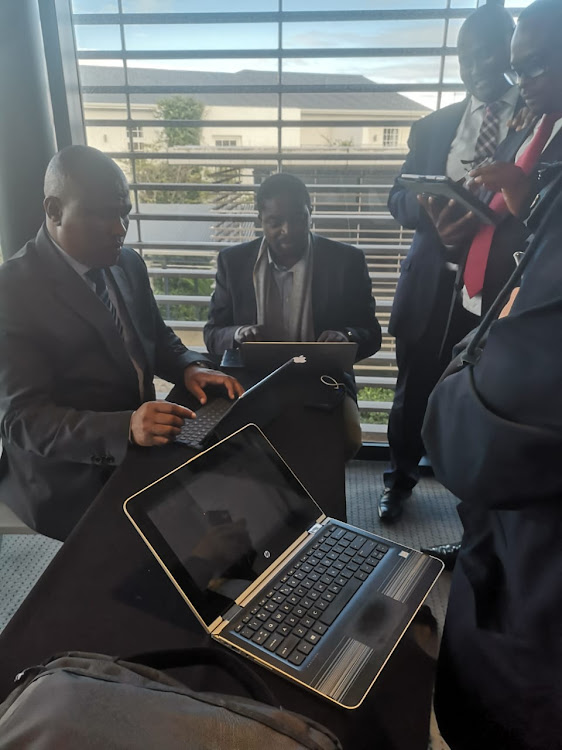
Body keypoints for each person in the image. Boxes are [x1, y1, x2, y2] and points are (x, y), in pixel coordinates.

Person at [422, 2, 562, 747]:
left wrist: (455, 392)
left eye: (531, 63)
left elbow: (486, 418)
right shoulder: (520, 126)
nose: (515, 77)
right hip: (466, 303)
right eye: (511, 63)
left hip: (535, 599)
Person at [0, 145, 243, 541]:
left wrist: (188, 366)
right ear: (54, 210)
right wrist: (124, 428)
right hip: (70, 474)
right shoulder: (12, 291)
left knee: (233, 483)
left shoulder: (126, 262)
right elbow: (22, 420)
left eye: (124, 213)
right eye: (101, 213)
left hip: (139, 445)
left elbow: (154, 337)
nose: (119, 228)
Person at [381, 2, 521, 524]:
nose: (475, 66)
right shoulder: (432, 127)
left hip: (497, 292)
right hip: (428, 286)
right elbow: (395, 198)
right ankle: (397, 481)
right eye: (465, 55)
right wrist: (428, 210)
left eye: (487, 53)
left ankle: (474, 507)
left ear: (511, 51)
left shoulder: (538, 122)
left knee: (481, 401)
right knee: (409, 394)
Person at [203, 172, 382, 457]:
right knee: (236, 444)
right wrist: (238, 334)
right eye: (275, 222)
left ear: (311, 213)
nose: (289, 230)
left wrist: (345, 336)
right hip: (252, 380)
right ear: (260, 219)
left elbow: (371, 334)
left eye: (299, 219)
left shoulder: (345, 262)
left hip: (324, 379)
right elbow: (213, 334)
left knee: (340, 442)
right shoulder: (234, 262)